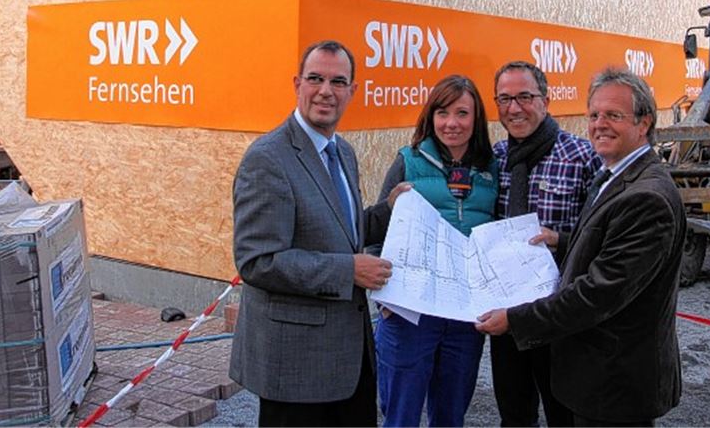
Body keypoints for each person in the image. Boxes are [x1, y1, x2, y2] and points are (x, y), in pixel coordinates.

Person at [476, 67, 686, 427]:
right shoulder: (618, 175)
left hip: (611, 376)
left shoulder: (646, 196)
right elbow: (608, 245)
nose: (600, 124)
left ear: (644, 122)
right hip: (589, 362)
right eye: (594, 115)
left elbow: (598, 293)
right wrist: (563, 240)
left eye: (614, 115)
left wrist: (515, 319)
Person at [230, 40, 410, 427]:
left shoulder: (342, 151)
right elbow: (258, 261)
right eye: (315, 78)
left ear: (353, 91)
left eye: (338, 81)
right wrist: (348, 271)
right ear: (297, 84)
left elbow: (339, 230)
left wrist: (387, 211)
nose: (326, 91)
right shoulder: (267, 158)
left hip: (349, 359)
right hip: (296, 368)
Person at [373, 75, 499, 428]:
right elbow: (378, 228)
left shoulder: (491, 167)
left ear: (476, 118)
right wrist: (384, 299)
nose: (452, 123)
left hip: (464, 314)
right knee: (400, 417)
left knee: (450, 415)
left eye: (462, 113)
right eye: (443, 113)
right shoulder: (408, 161)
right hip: (410, 311)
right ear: (431, 116)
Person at [489, 61, 599, 428]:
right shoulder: (495, 160)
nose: (514, 108)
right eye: (504, 99)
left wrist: (561, 240)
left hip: (559, 316)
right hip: (509, 315)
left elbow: (603, 237)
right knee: (514, 415)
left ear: (546, 100)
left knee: (563, 414)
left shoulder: (582, 157)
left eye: (524, 97)